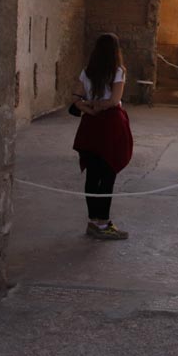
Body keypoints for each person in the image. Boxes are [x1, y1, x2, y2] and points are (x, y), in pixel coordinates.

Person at [71, 33, 130, 240]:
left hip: (90, 124)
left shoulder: (87, 71)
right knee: (107, 173)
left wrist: (89, 108)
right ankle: (103, 223)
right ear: (115, 51)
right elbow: (114, 100)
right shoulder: (117, 71)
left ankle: (94, 221)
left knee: (92, 175)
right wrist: (100, 106)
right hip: (110, 125)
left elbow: (76, 98)